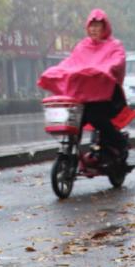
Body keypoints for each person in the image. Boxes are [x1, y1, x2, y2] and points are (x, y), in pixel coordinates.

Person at [38, 9, 128, 160]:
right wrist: (57, 71)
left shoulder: (114, 46)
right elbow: (71, 62)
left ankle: (119, 142)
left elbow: (118, 61)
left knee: (96, 117)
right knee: (74, 121)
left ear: (105, 27)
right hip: (85, 97)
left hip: (108, 97)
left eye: (97, 25)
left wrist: (107, 68)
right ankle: (72, 151)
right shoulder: (82, 46)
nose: (93, 29)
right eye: (91, 26)